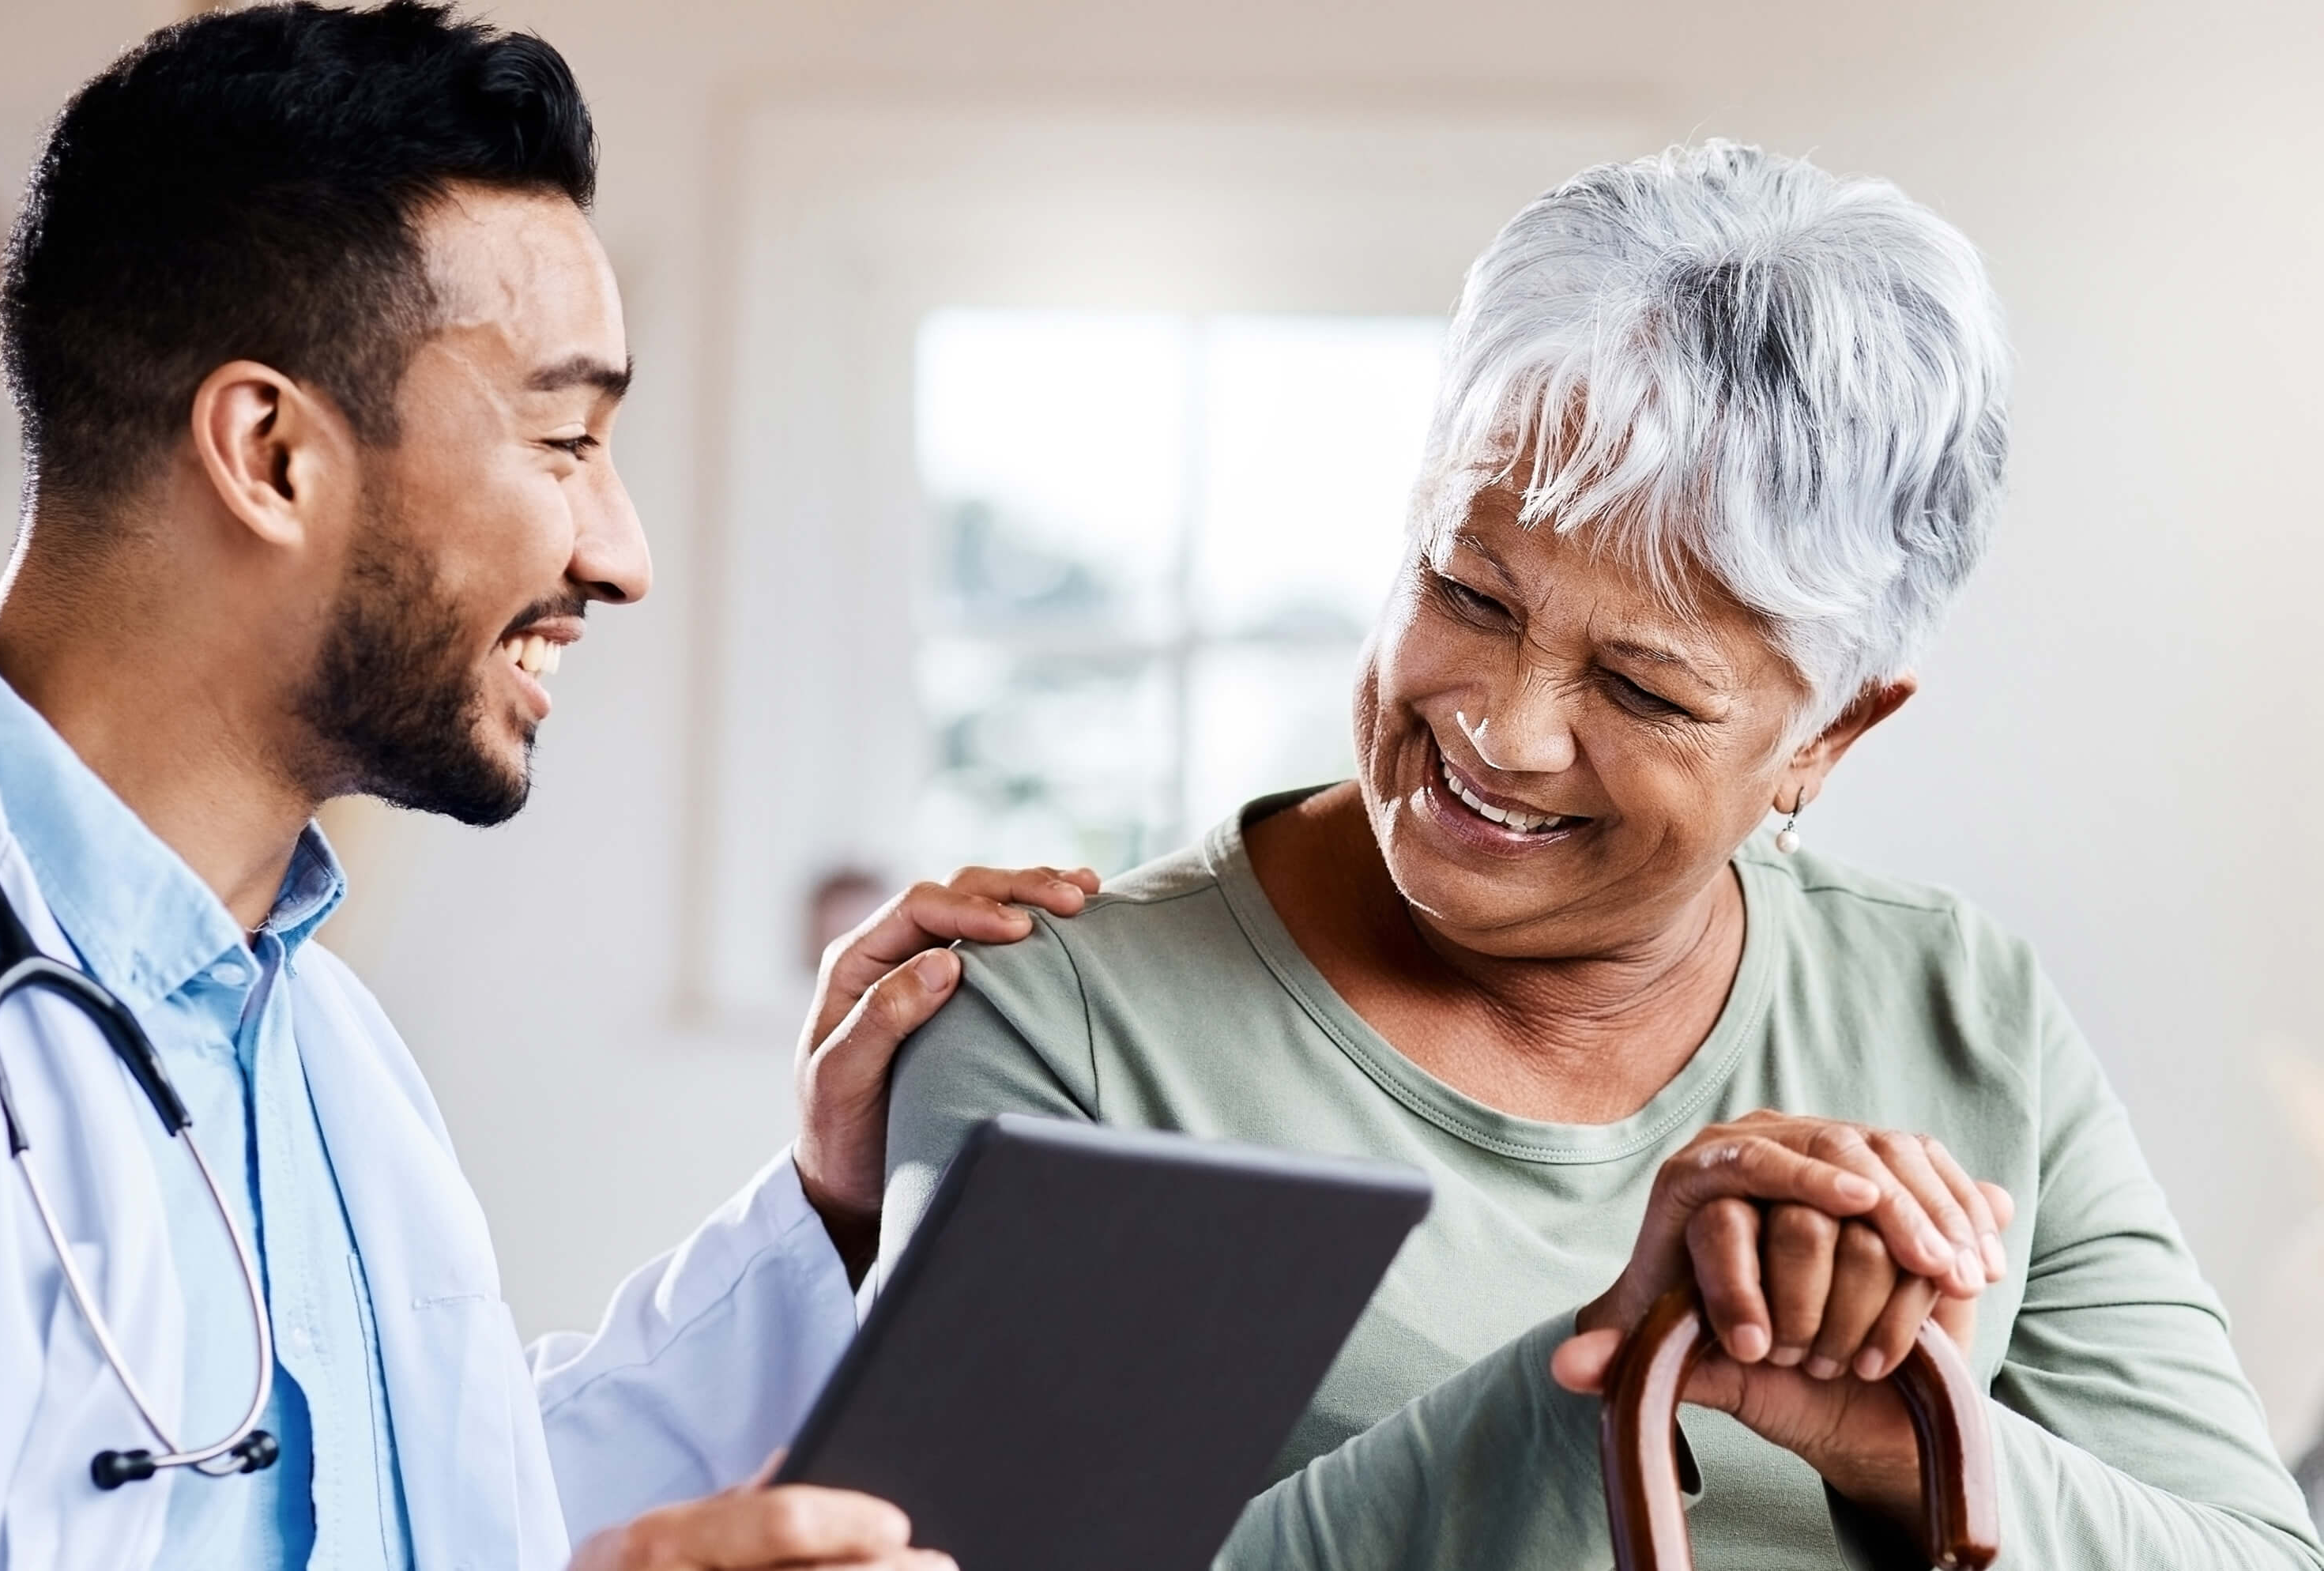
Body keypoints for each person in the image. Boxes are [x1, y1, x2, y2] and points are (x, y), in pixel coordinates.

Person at [0, 6, 1100, 1568]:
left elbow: (441, 1518)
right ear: (272, 452)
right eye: (567, 439)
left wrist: (829, 1214)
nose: (621, 554)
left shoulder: (314, 1037)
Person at [879, 142, 2324, 1569]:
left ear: (1833, 735)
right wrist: (1605, 1372)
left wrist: (1897, 1436)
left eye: (1642, 690)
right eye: (1467, 589)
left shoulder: (1960, 1007)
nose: (1504, 731)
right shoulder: (1066, 1027)